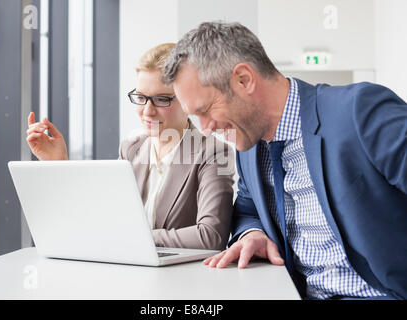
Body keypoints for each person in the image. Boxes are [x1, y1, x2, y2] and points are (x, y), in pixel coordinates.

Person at [161, 22, 407, 300]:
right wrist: (252, 234)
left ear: (243, 79)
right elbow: (247, 208)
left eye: (205, 110)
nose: (204, 128)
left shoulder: (358, 111)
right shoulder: (249, 144)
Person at [26, 43, 235, 250]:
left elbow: (211, 237)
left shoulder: (212, 152)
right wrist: (60, 164)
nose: (147, 111)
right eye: (141, 98)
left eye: (161, 99)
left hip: (183, 279)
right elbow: (100, 219)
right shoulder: (131, 148)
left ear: (188, 101)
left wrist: (138, 237)